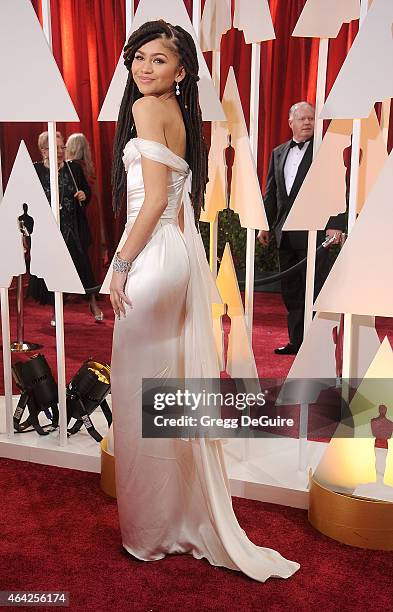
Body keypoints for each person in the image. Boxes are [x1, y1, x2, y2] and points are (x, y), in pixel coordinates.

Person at [109, 19, 299, 582]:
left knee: (138, 391)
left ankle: (152, 532)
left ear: (181, 70)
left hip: (152, 256)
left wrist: (120, 264)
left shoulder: (147, 111)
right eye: (140, 58)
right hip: (176, 256)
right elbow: (176, 205)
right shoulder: (181, 118)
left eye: (159, 60)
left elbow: (153, 203)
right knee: (161, 391)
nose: (146, 68)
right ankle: (171, 521)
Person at [257, 102, 345, 355]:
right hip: (285, 234)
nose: (308, 122)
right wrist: (265, 224)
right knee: (292, 292)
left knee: (315, 290)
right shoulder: (278, 152)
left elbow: (336, 187)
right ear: (291, 122)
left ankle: (316, 348)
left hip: (315, 233)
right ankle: (297, 343)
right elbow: (272, 193)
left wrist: (335, 226)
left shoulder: (323, 152)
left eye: (311, 119)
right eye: (302, 119)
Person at [27, 131, 103, 322]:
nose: (61, 151)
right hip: (50, 230)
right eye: (56, 148)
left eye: (63, 147)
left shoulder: (73, 169)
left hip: (73, 227)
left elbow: (86, 190)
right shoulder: (36, 171)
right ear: (44, 151)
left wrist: (84, 195)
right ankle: (56, 310)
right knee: (54, 269)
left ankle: (92, 302)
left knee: (83, 266)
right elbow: (29, 200)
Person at [66, 133, 110, 273]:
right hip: (93, 208)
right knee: (93, 244)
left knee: (83, 245)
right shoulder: (88, 167)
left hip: (83, 209)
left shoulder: (73, 168)